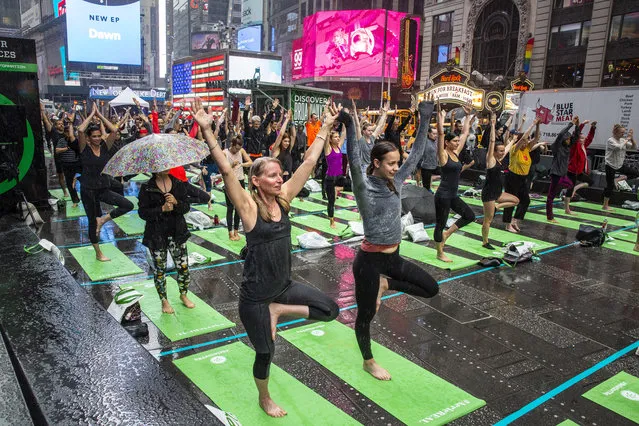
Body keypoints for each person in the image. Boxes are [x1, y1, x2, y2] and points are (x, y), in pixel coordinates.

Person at [194, 98, 339, 418]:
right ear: (256, 181)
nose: (279, 178)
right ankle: (264, 397)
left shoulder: (285, 199)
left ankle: (279, 311)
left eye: (279, 174)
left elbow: (307, 164)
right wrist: (207, 130)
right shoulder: (248, 208)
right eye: (272, 175)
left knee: (330, 310)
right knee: (265, 352)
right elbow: (226, 170)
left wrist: (326, 127)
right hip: (256, 298)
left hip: (283, 290)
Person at [347, 99, 439, 380]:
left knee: (430, 288)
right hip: (369, 263)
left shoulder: (396, 181)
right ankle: (368, 361)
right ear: (376, 163)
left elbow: (418, 154)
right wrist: (349, 125)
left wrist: (425, 118)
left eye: (397, 163)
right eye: (391, 163)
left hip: (393, 260)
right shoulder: (363, 187)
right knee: (365, 318)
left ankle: (386, 284)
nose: (396, 167)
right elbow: (352, 158)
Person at [138, 166, 209, 314]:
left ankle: (183, 294)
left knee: (183, 267)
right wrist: (161, 209)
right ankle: (164, 300)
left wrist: (176, 203)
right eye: (162, 166)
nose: (167, 167)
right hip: (157, 235)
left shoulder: (177, 183)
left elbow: (186, 208)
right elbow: (142, 213)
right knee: (160, 270)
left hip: (177, 233)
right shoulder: (147, 188)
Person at [73, 103, 134, 261]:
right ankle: (98, 252)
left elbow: (113, 130)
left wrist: (99, 115)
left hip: (103, 188)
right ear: (88, 138)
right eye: (94, 136)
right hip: (88, 190)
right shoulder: (84, 149)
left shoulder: (105, 147)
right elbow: (80, 130)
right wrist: (90, 115)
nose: (98, 138)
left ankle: (103, 219)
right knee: (92, 221)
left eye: (99, 135)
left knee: (128, 205)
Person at [433, 104, 476, 263]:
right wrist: (441, 120)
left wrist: (467, 116)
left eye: (458, 141)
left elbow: (465, 133)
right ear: (448, 142)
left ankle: (447, 234)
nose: (458, 143)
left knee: (469, 216)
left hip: (452, 195)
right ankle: (439, 252)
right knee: (440, 223)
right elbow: (440, 135)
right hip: (443, 195)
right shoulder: (443, 155)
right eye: (455, 141)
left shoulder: (456, 153)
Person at [481, 112, 520, 249]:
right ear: (495, 152)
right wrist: (492, 125)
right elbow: (492, 142)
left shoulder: (499, 160)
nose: (503, 152)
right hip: (489, 194)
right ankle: (485, 242)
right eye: (500, 151)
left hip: (498, 193)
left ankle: (497, 206)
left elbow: (507, 148)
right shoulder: (491, 160)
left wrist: (514, 140)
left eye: (503, 151)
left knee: (516, 200)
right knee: (488, 220)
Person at [502, 119, 541, 233]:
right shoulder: (515, 149)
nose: (526, 143)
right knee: (511, 201)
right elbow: (524, 137)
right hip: (512, 177)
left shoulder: (527, 150)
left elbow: (536, 138)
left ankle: (515, 220)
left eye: (527, 141)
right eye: (524, 141)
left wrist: (537, 125)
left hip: (523, 178)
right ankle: (507, 224)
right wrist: (532, 124)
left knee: (525, 201)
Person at [546, 116, 581, 222]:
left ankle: (561, 193)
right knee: (551, 196)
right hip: (556, 173)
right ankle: (550, 217)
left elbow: (576, 137)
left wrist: (577, 126)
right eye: (567, 139)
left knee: (570, 185)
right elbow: (561, 134)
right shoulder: (557, 147)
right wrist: (571, 124)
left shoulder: (568, 147)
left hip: (562, 174)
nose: (569, 140)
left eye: (569, 139)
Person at [223, 137, 252, 240]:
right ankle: (230, 232)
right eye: (236, 149)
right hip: (230, 181)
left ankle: (236, 231)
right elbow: (222, 169)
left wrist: (241, 164)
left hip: (240, 180)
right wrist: (231, 165)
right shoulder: (225, 153)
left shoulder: (241, 151)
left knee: (239, 207)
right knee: (230, 207)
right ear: (232, 145)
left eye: (239, 149)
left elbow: (250, 162)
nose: (237, 151)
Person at [565, 121, 596, 214]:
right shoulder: (575, 146)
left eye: (584, 138)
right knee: (569, 190)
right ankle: (567, 209)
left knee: (590, 182)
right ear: (578, 138)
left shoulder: (583, 146)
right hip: (572, 171)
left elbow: (590, 138)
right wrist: (582, 124)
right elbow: (575, 134)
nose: (584, 139)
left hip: (578, 172)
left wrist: (593, 128)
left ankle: (576, 188)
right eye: (582, 138)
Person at [603, 125, 637, 211]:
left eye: (624, 132)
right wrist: (627, 140)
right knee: (609, 186)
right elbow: (618, 147)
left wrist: (631, 138)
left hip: (620, 164)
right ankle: (605, 205)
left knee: (636, 173)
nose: (623, 134)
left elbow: (634, 147)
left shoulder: (622, 140)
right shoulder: (610, 140)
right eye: (621, 132)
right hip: (610, 165)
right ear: (615, 132)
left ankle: (617, 180)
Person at [41, 104, 69, 198]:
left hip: (69, 156)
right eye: (58, 124)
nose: (61, 125)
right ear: (55, 126)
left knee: (70, 175)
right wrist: (42, 112)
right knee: (61, 175)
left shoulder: (67, 132)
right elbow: (46, 121)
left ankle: (71, 189)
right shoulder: (53, 132)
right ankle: (65, 191)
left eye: (62, 123)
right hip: (59, 157)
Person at [324, 127, 346, 228]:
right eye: (335, 137)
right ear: (331, 139)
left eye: (338, 137)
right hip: (330, 178)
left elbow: (344, 132)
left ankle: (338, 188)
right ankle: (331, 221)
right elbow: (326, 137)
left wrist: (346, 119)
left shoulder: (339, 147)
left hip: (339, 177)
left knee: (353, 185)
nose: (338, 138)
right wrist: (328, 127)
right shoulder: (328, 149)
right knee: (331, 201)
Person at [243, 96, 275, 161]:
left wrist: (273, 108)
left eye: (258, 124)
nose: (257, 125)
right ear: (252, 123)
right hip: (250, 156)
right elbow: (245, 119)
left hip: (260, 156)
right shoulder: (249, 130)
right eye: (255, 123)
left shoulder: (261, 128)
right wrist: (246, 107)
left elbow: (268, 119)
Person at [270, 110, 296, 183]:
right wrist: (286, 119)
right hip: (277, 179)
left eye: (288, 141)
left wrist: (291, 120)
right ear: (281, 142)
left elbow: (294, 136)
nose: (287, 143)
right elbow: (281, 134)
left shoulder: (289, 149)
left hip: (287, 180)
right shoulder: (276, 150)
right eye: (285, 141)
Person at [420, 125, 439, 191]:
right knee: (426, 188)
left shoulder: (436, 141)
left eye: (436, 134)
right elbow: (421, 131)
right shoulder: (424, 140)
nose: (435, 135)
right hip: (426, 167)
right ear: (428, 133)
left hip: (435, 166)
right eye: (434, 133)